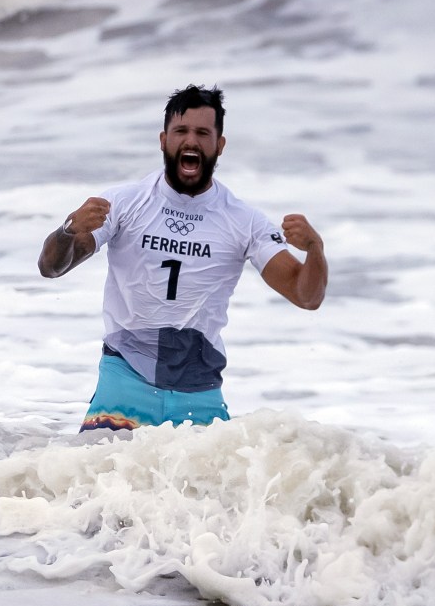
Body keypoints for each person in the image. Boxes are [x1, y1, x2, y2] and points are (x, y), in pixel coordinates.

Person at [38, 84, 327, 432]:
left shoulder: (244, 221)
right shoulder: (124, 204)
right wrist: (68, 230)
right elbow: (51, 268)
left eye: (203, 133)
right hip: (125, 380)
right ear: (164, 140)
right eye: (181, 131)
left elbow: (306, 296)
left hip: (199, 389)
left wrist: (315, 250)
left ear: (219, 145)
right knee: (93, 482)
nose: (191, 141)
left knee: (220, 485)